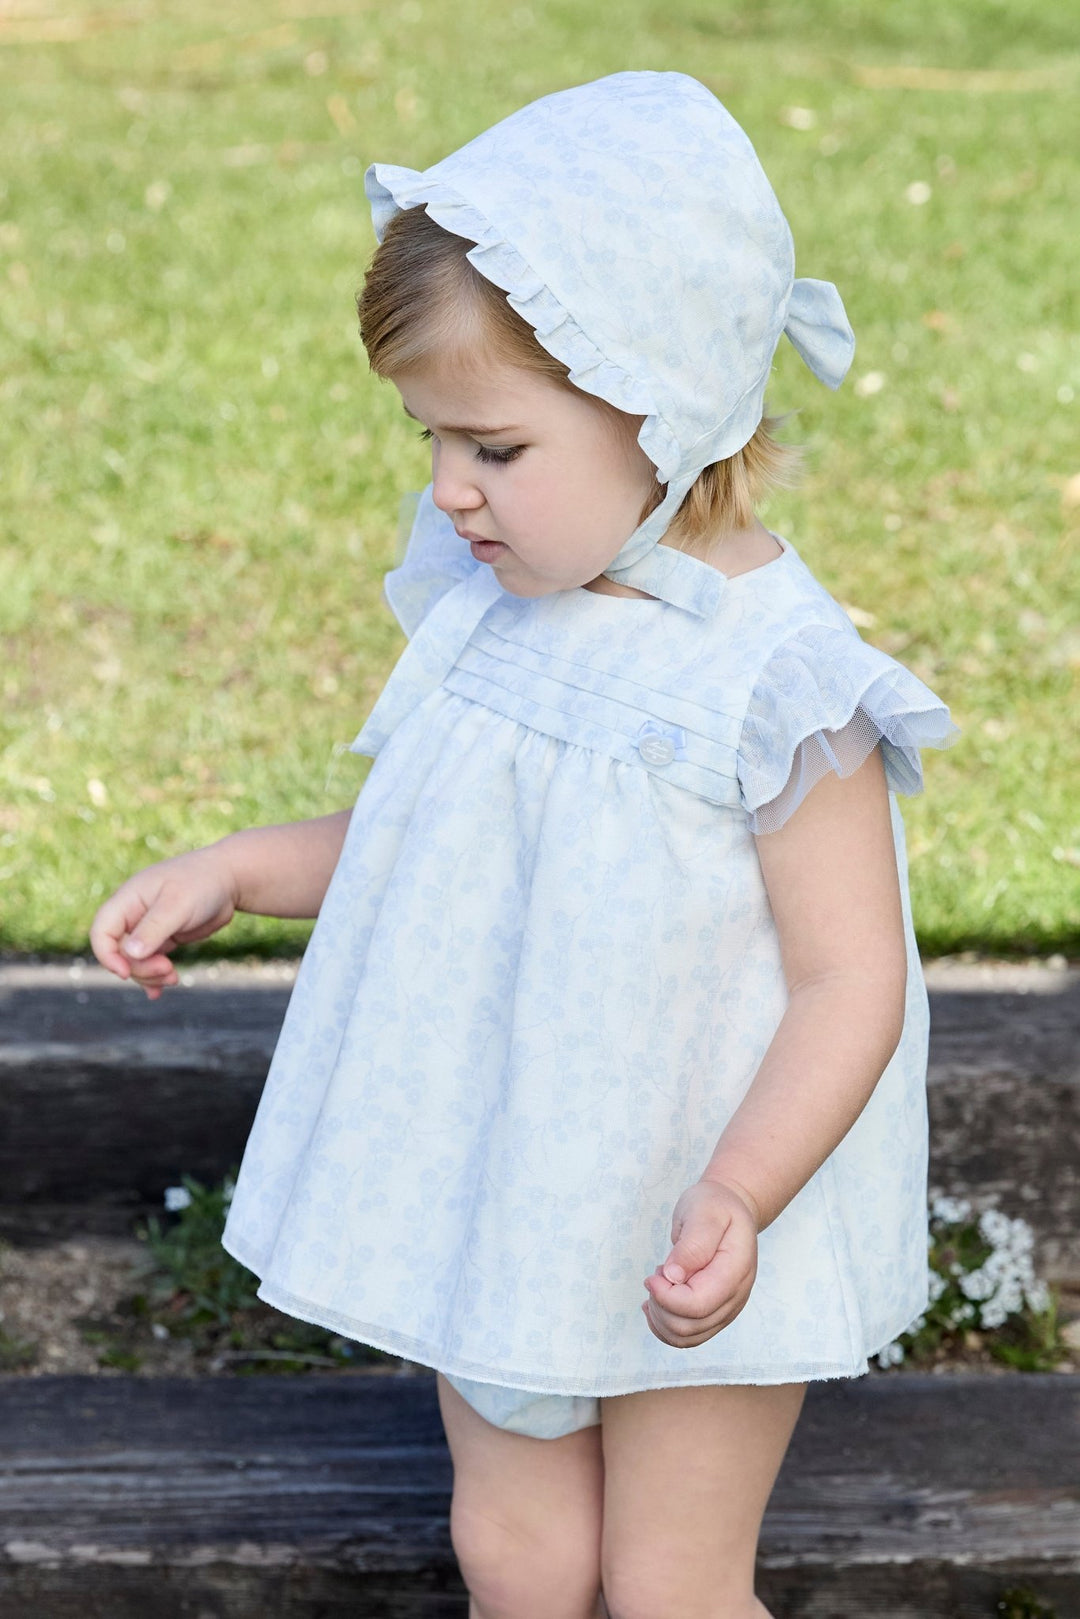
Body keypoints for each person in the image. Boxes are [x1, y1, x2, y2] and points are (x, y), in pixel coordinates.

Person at [90, 70, 960, 1619]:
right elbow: (427, 842)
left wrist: (744, 1194)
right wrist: (238, 872)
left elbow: (852, 984)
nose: (449, 491)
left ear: (665, 406)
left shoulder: (780, 683)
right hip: (514, 1187)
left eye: (494, 448)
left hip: (697, 1210)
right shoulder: (501, 611)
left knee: (671, 1584)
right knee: (521, 1557)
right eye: (431, 440)